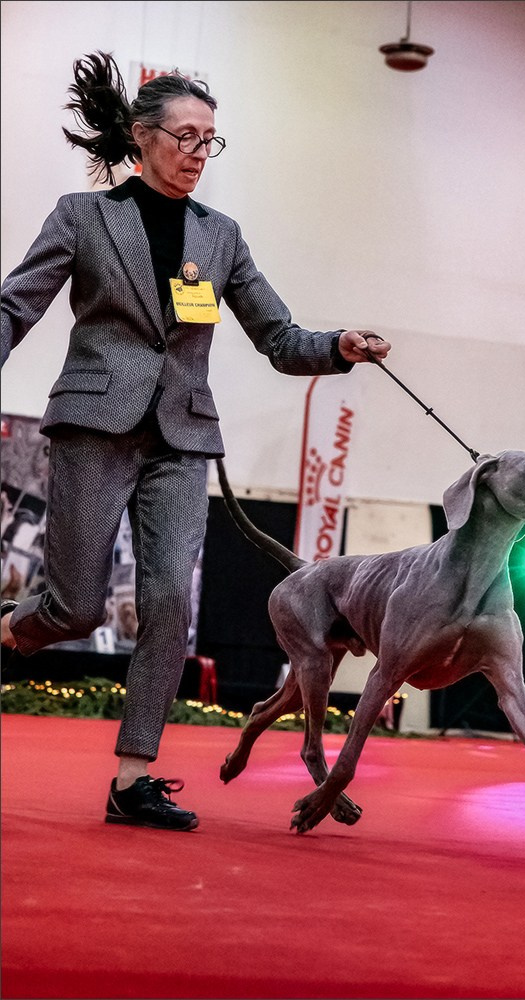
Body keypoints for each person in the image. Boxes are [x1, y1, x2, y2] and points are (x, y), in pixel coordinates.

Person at [0, 51, 390, 832]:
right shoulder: (82, 216)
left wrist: (337, 345)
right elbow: (14, 306)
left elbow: (277, 336)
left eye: (210, 140)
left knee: (170, 602)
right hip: (94, 427)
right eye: (184, 136)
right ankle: (10, 627)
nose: (197, 154)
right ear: (142, 138)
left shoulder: (220, 237)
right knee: (75, 608)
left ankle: (131, 778)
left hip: (182, 437)